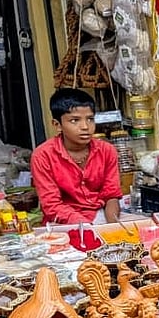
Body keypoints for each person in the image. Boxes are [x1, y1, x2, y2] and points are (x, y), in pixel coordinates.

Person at [31, 88, 122, 225]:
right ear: (57, 125)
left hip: (101, 215)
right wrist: (87, 228)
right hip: (62, 222)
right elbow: (52, 206)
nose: (85, 126)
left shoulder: (107, 151)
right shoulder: (42, 156)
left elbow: (111, 196)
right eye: (75, 120)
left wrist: (113, 227)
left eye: (90, 119)